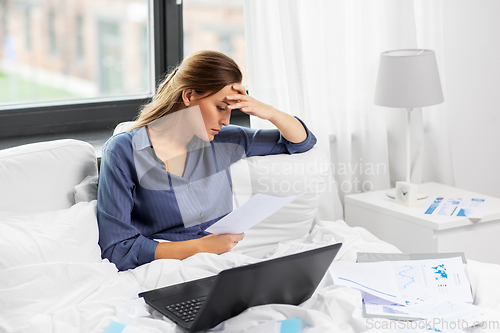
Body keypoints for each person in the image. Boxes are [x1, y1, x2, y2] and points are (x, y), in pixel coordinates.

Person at [97, 50, 317, 271]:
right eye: (221, 108)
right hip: (161, 269)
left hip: (219, 266)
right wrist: (201, 247)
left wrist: (268, 112)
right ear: (189, 96)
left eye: (231, 110)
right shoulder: (123, 150)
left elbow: (301, 142)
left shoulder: (224, 140)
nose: (225, 120)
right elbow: (118, 248)